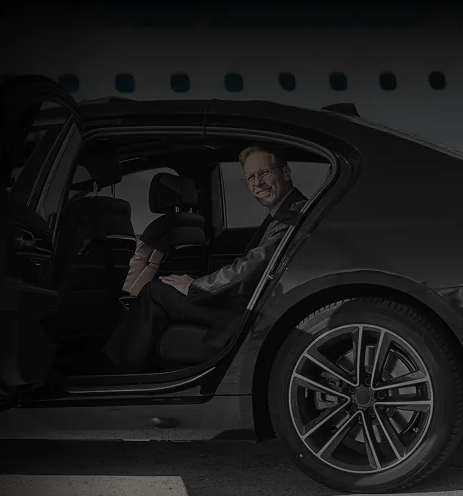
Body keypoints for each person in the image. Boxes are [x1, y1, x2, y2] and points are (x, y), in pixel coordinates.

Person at [99, 144, 310, 372]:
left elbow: (253, 266)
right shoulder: (283, 212)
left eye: (265, 173)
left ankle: (113, 370)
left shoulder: (291, 216)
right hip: (249, 302)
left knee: (155, 291)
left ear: (285, 173)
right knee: (160, 295)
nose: (257, 183)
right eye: (250, 177)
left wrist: (195, 285)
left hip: (248, 313)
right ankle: (147, 370)